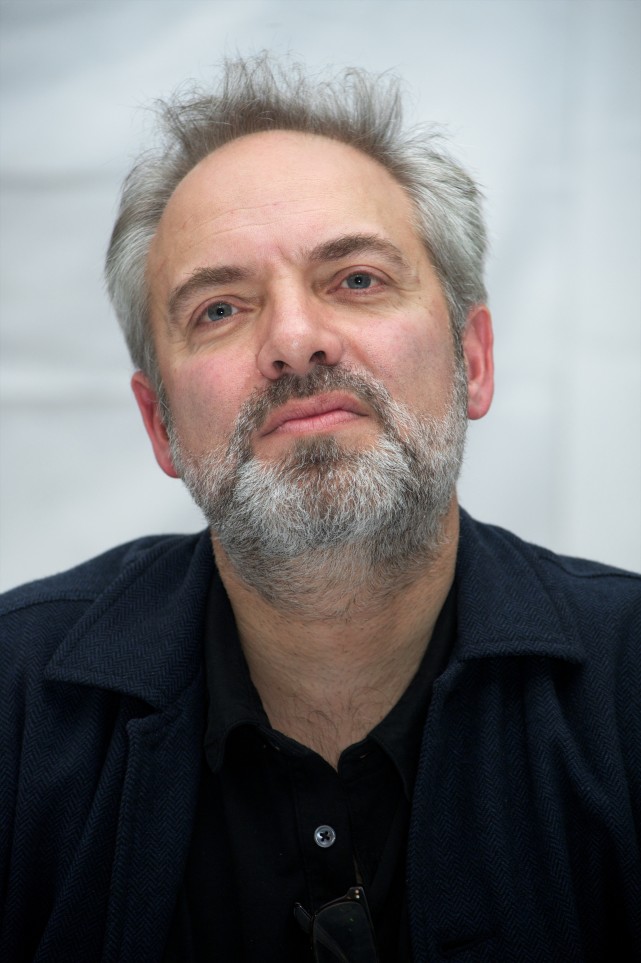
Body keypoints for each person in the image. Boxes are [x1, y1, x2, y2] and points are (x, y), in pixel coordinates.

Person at [1, 54, 640, 963]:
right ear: (160, 424)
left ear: (472, 360)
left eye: (357, 279)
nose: (295, 341)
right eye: (220, 308)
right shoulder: (15, 705)